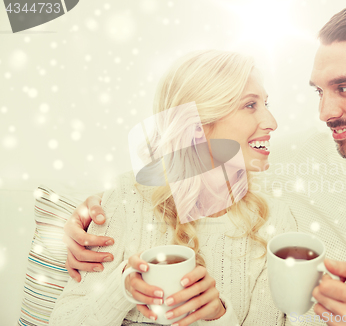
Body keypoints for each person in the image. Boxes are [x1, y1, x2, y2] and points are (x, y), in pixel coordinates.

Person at [64, 2, 346, 326]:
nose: (326, 112)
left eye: (345, 88)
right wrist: (88, 216)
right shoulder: (291, 158)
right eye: (319, 91)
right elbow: (187, 157)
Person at [50, 50, 297, 326]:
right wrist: (123, 288)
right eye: (250, 105)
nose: (272, 122)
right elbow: (64, 320)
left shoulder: (274, 221)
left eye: (265, 103)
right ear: (196, 128)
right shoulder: (126, 199)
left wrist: (218, 316)